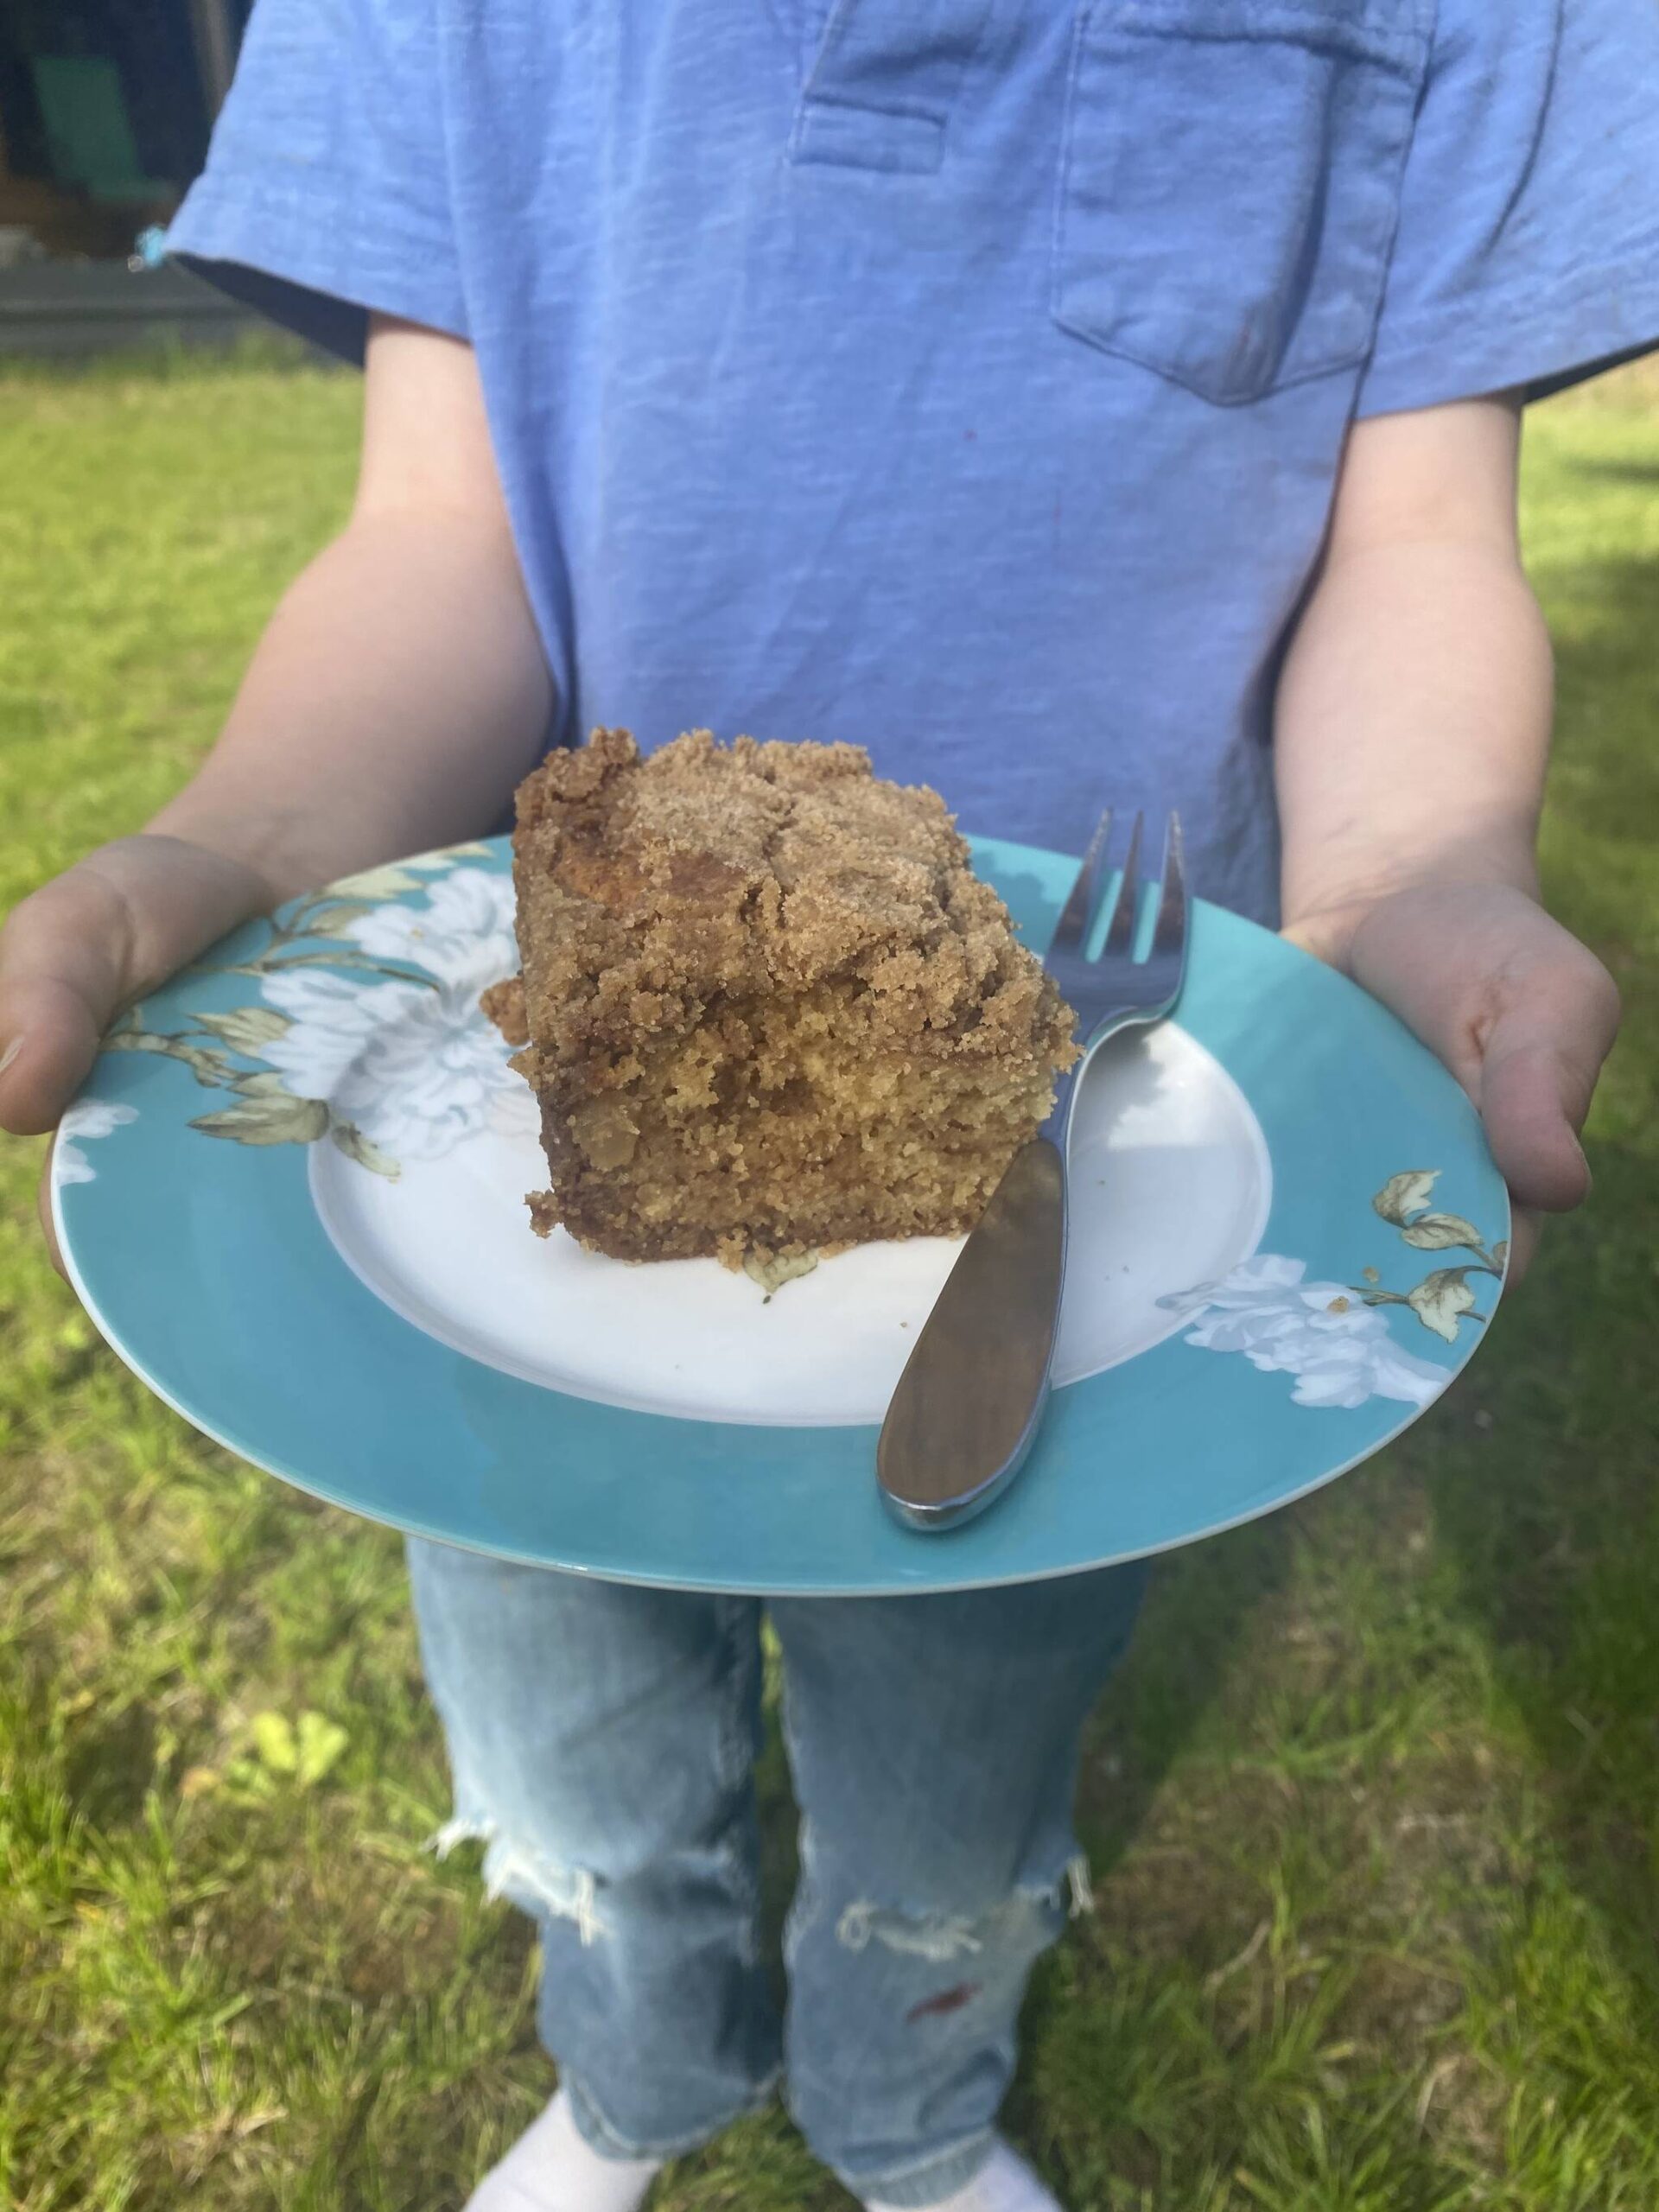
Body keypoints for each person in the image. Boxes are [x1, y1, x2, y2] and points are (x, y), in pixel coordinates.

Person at [3, 3, 1657, 2205]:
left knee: (966, 1740)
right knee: (564, 1720)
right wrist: (242, 843)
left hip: (1112, 1145)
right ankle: (638, 2070)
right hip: (546, 1156)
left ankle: (908, 2101)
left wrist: (1413, 877)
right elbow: (443, 531)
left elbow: (1419, 535)